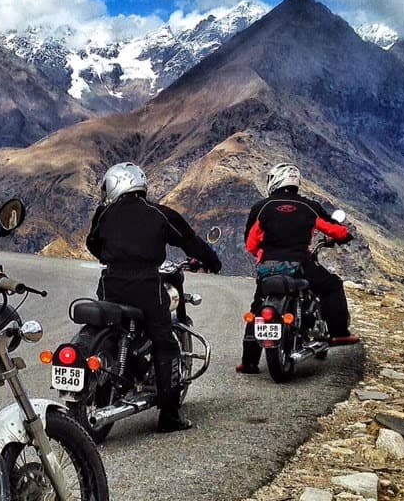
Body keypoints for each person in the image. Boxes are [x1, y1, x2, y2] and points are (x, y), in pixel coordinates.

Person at [86, 162, 222, 432]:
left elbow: (93, 244)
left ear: (114, 186)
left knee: (111, 327)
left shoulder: (104, 213)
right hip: (146, 285)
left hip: (110, 283)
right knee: (165, 343)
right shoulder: (159, 214)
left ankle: (117, 374)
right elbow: (189, 240)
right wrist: (212, 262)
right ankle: (169, 416)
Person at [239, 162, 358, 373]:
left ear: (274, 181)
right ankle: (339, 331)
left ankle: (249, 361)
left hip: (269, 266)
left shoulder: (261, 207)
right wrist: (344, 235)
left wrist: (263, 255)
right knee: (332, 286)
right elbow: (335, 230)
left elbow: (250, 244)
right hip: (301, 263)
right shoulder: (308, 206)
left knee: (258, 306)